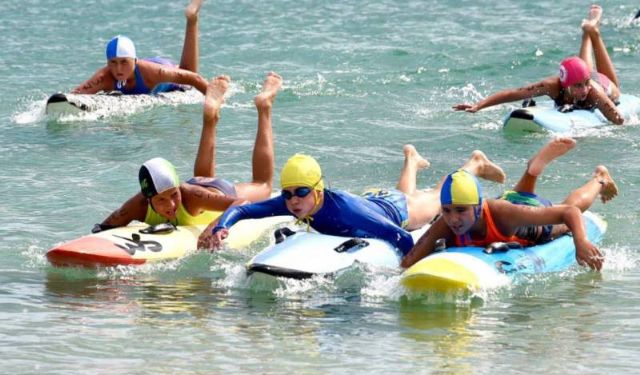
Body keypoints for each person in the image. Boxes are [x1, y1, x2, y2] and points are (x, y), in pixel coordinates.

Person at [197, 146, 507, 253]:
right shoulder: (292, 203)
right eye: (288, 192)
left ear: (317, 192)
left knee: (439, 199)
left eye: (301, 192)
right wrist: (223, 226)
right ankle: (411, 160)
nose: (293, 200)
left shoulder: (347, 211)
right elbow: (245, 210)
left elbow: (398, 235)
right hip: (374, 200)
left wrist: (404, 267)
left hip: (394, 210)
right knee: (410, 193)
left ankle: (473, 164)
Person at [93, 72, 282, 231]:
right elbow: (104, 228)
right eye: (161, 200)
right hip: (199, 190)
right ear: (148, 199)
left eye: (174, 194)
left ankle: (264, 106)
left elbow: (240, 204)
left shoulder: (188, 196)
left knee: (264, 186)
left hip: (213, 192)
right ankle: (210, 118)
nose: (171, 205)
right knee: (201, 181)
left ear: (178, 187)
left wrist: (214, 228)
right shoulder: (137, 205)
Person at [400, 137, 618, 272]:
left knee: (567, 212)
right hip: (512, 203)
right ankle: (532, 170)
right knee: (518, 197)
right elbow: (410, 260)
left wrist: (580, 241)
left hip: (526, 226)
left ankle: (599, 179)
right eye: (446, 211)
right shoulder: (446, 224)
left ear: (477, 207)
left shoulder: (501, 214)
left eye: (460, 210)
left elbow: (569, 212)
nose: (453, 218)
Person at [453, 5, 624, 125]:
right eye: (578, 86)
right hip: (584, 74)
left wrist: (609, 111)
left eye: (584, 85)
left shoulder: (593, 92)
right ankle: (588, 30)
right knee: (584, 66)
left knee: (608, 82)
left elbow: (618, 120)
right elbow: (514, 94)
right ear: (565, 84)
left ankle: (593, 31)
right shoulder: (552, 86)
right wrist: (479, 105)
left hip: (604, 85)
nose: (584, 90)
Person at [73, 0, 209, 95]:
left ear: (135, 60)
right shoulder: (105, 77)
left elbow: (195, 78)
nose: (118, 69)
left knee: (188, 73)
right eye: (113, 62)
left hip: (160, 66)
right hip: (149, 67)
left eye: (124, 62)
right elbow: (76, 94)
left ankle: (192, 18)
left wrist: (214, 98)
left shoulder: (157, 73)